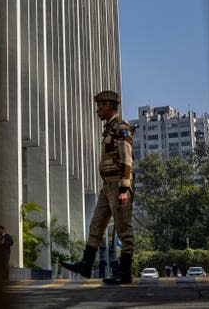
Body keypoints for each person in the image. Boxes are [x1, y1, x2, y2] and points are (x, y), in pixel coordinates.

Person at [61, 90, 134, 284]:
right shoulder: (109, 129)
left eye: (100, 106)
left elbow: (127, 158)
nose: (97, 110)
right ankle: (86, 264)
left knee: (124, 229)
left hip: (118, 185)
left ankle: (124, 273)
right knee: (96, 225)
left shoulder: (121, 128)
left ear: (110, 105)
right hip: (107, 186)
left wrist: (124, 188)